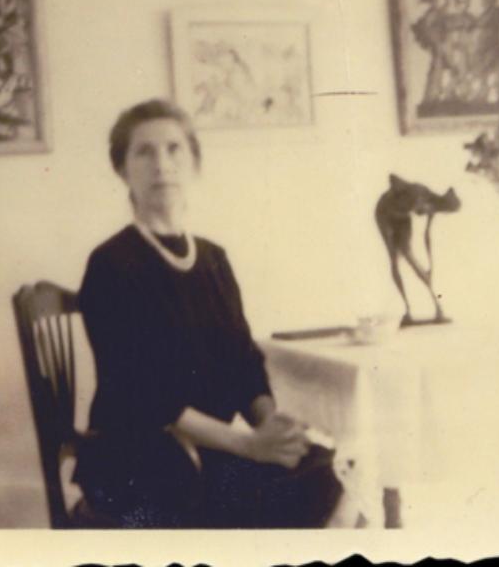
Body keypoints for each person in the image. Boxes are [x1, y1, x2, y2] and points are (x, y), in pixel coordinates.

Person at [73, 99, 344, 528]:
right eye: (144, 152)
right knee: (257, 499)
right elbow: (144, 394)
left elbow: (243, 360)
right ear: (122, 170)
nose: (162, 164)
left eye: (174, 149)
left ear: (194, 163)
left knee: (331, 470)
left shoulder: (214, 260)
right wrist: (249, 445)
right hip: (139, 458)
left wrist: (270, 426)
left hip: (214, 449)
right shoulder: (112, 264)